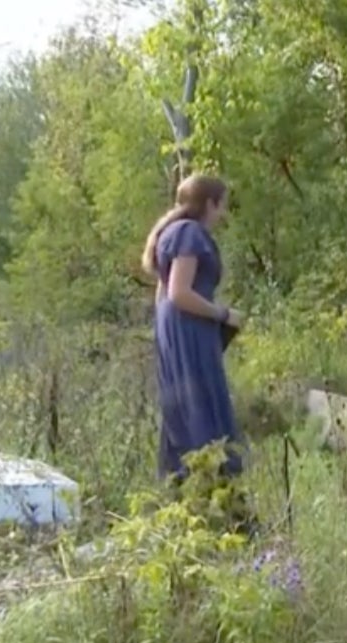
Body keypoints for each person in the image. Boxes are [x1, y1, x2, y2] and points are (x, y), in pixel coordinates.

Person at [141, 172, 246, 482]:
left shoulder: (172, 232)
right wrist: (223, 314)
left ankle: (186, 491)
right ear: (209, 203)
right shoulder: (191, 233)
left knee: (184, 409)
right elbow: (179, 292)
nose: (223, 212)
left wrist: (164, 338)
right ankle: (213, 491)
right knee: (203, 408)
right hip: (189, 329)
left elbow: (163, 294)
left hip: (173, 329)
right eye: (221, 205)